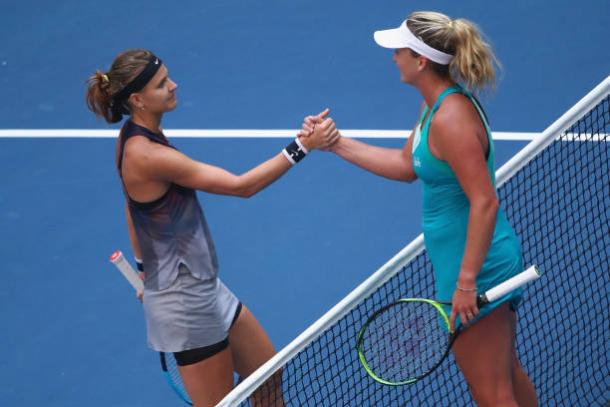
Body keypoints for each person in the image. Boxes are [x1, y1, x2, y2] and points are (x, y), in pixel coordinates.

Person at [301, 11, 537, 407]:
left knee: (492, 390)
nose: (393, 56)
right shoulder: (435, 108)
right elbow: (406, 166)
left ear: (421, 60)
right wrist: (335, 143)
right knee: (505, 373)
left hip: (477, 268)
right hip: (470, 263)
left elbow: (485, 200)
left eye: (399, 50)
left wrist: (466, 282)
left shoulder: (451, 119)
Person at [86, 48, 338, 407]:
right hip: (184, 303)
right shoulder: (147, 154)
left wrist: (145, 271)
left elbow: (132, 208)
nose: (174, 85)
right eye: (162, 84)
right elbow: (240, 186)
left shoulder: (136, 135)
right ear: (138, 99)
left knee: (267, 373)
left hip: (199, 284)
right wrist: (301, 147)